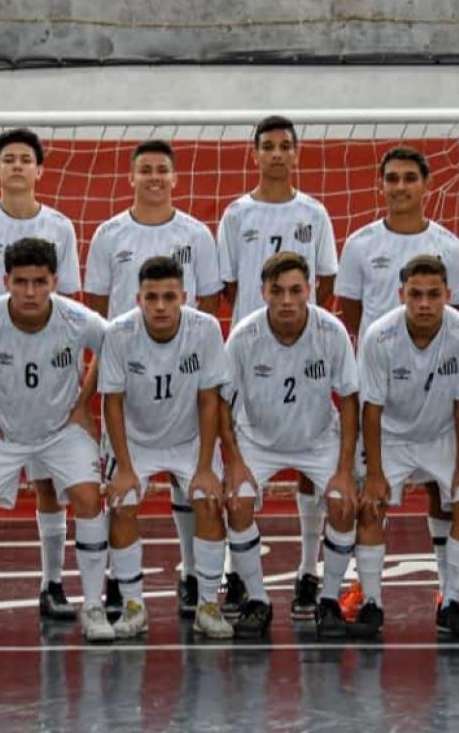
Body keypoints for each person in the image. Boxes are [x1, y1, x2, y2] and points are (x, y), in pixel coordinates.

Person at [336, 144, 459, 620]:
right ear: (381, 185)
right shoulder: (359, 244)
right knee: (368, 498)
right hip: (384, 386)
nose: (400, 186)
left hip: (435, 396)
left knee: (450, 494)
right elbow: (353, 315)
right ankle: (366, 592)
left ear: (426, 185)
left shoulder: (450, 248)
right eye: (391, 178)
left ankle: (452, 594)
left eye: (409, 178)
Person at [0, 237, 111, 643]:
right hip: (2, 430)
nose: (31, 292)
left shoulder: (79, 319)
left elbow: (114, 349)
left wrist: (84, 403)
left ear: (55, 280)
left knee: (89, 498)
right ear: (5, 280)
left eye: (40, 281)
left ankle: (92, 606)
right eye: (21, 282)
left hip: (61, 430)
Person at [84, 139, 222, 617]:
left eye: (162, 169)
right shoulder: (109, 234)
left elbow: (212, 299)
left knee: (196, 487)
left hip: (183, 371)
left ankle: (194, 579)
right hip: (130, 367)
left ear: (175, 177)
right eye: (145, 170)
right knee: (119, 491)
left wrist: (188, 354)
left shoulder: (197, 234)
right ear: (132, 177)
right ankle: (122, 586)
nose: (154, 177)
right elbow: (98, 309)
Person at [0, 128, 83, 621]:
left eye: (26, 159)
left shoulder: (60, 226)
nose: (18, 166)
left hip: (48, 372)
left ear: (39, 169)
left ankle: (52, 583)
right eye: (8, 159)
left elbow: (70, 301)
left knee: (50, 482)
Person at [216, 115, 340, 620]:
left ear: (296, 153)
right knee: (240, 465)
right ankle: (236, 576)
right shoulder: (235, 215)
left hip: (304, 349)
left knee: (313, 460)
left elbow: (325, 284)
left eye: (284, 146)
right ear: (255, 154)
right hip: (250, 355)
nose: (276, 154)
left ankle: (309, 572)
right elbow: (228, 287)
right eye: (266, 146)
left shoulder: (315, 213)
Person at [218, 252, 361, 639]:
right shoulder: (244, 336)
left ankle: (328, 598)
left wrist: (346, 470)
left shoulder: (331, 332)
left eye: (296, 290)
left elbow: (349, 399)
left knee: (344, 502)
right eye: (277, 291)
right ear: (262, 292)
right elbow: (220, 402)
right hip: (257, 440)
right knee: (237, 501)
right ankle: (257, 599)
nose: (286, 300)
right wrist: (233, 462)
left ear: (310, 290)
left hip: (317, 440)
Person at [98, 256, 233, 639]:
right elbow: (112, 402)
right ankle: (133, 606)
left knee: (208, 501)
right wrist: (123, 467)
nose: (160, 306)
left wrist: (205, 466)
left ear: (184, 297)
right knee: (122, 505)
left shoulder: (205, 329)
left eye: (169, 297)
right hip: (135, 440)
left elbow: (210, 400)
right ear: (137, 298)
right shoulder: (118, 333)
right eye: (152, 297)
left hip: (188, 437)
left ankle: (208, 603)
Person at [356, 255, 459, 638]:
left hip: (442, 433)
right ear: (401, 295)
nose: (424, 303)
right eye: (415, 295)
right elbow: (371, 410)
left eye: (433, 295)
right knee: (370, 506)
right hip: (392, 434)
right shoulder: (378, 336)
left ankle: (453, 601)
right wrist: (375, 474)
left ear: (448, 294)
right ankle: (371, 603)